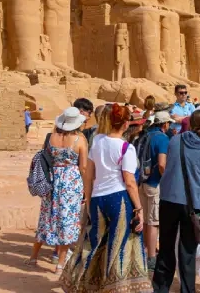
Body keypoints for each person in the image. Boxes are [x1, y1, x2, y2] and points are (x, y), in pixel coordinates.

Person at [60, 104, 150, 293]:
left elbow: (88, 174)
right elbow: (130, 181)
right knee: (118, 246)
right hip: (119, 199)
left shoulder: (98, 141)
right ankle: (115, 288)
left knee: (94, 243)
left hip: (98, 198)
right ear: (126, 124)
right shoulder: (126, 148)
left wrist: (89, 200)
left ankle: (83, 283)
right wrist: (139, 209)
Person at [153, 110, 200, 293]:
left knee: (166, 246)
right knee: (187, 251)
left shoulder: (176, 140)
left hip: (169, 199)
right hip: (193, 203)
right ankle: (187, 289)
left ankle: (161, 288)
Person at [27, 106, 88, 274]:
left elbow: (46, 158)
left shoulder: (51, 137)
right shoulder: (80, 140)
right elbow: (83, 167)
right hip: (71, 183)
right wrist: (85, 188)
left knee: (46, 217)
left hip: (53, 179)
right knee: (67, 221)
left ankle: (33, 257)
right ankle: (60, 264)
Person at [141, 111, 173, 271]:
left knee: (146, 219)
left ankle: (146, 249)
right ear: (165, 124)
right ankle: (152, 256)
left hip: (143, 181)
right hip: (155, 183)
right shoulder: (162, 138)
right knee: (154, 222)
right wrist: (167, 179)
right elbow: (162, 163)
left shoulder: (145, 134)